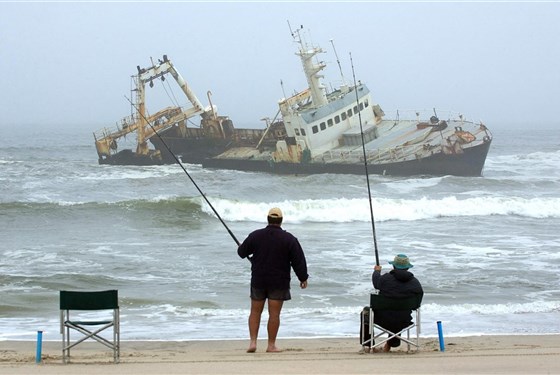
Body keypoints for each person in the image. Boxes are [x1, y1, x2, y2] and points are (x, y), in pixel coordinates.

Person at [237, 207, 309, 353]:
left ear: (268, 219)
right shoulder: (289, 239)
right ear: (281, 221)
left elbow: (241, 252)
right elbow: (298, 261)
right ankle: (271, 345)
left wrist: (243, 247)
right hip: (279, 282)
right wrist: (303, 278)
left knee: (255, 311)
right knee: (274, 314)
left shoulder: (255, 236)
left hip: (259, 279)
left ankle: (252, 342)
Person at [371, 253, 423, 352]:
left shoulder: (385, 279)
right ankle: (390, 345)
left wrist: (377, 271)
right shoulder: (415, 283)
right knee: (398, 312)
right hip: (404, 320)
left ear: (394, 266)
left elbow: (376, 284)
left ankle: (369, 345)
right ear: (407, 268)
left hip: (383, 319)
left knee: (366, 313)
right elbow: (417, 303)